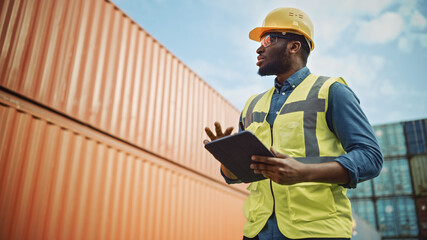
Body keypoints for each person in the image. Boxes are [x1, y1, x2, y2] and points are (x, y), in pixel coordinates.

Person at [204, 7, 383, 240]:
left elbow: (371, 158)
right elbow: (239, 175)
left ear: (294, 46)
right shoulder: (252, 104)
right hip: (257, 232)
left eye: (268, 39)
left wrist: (303, 172)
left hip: (316, 232)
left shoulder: (331, 91)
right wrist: (227, 157)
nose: (259, 48)